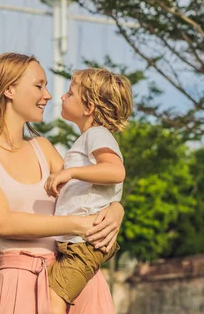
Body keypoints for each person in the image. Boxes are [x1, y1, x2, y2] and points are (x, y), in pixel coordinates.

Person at [0, 53, 123, 314]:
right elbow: (3, 223)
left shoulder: (43, 148)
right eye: (39, 85)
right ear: (9, 88)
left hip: (74, 278)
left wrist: (116, 209)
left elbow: (88, 194)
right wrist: (78, 224)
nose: (48, 95)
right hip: (20, 282)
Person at [44, 68, 133, 314]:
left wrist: (70, 173)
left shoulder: (97, 134)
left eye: (70, 93)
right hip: (76, 242)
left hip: (84, 243)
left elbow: (116, 172)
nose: (62, 97)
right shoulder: (88, 138)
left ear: (89, 108)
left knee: (54, 299)